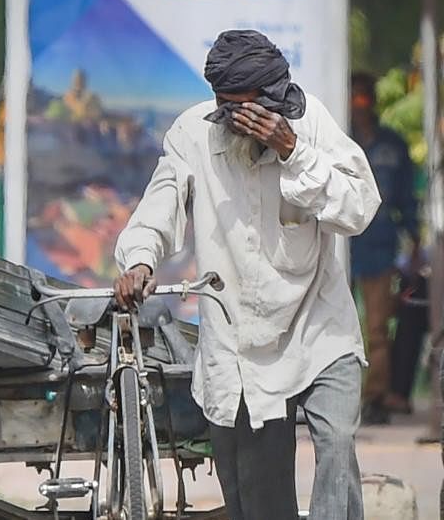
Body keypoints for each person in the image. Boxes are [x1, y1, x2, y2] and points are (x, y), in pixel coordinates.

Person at [112, 30, 380, 520]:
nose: (238, 120)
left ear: (274, 100)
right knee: (258, 496)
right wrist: (140, 258)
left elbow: (359, 210)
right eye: (227, 108)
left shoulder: (311, 122)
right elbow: (161, 202)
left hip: (320, 325)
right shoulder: (194, 132)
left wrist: (293, 149)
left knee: (338, 446)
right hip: (241, 345)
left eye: (248, 109)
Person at [348, 73, 421, 423]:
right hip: (339, 246)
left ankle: (375, 397)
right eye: (354, 98)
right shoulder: (338, 138)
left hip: (378, 243)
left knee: (378, 328)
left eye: (365, 98)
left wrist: (415, 238)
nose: (360, 105)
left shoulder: (392, 143)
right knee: (331, 324)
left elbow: (406, 197)